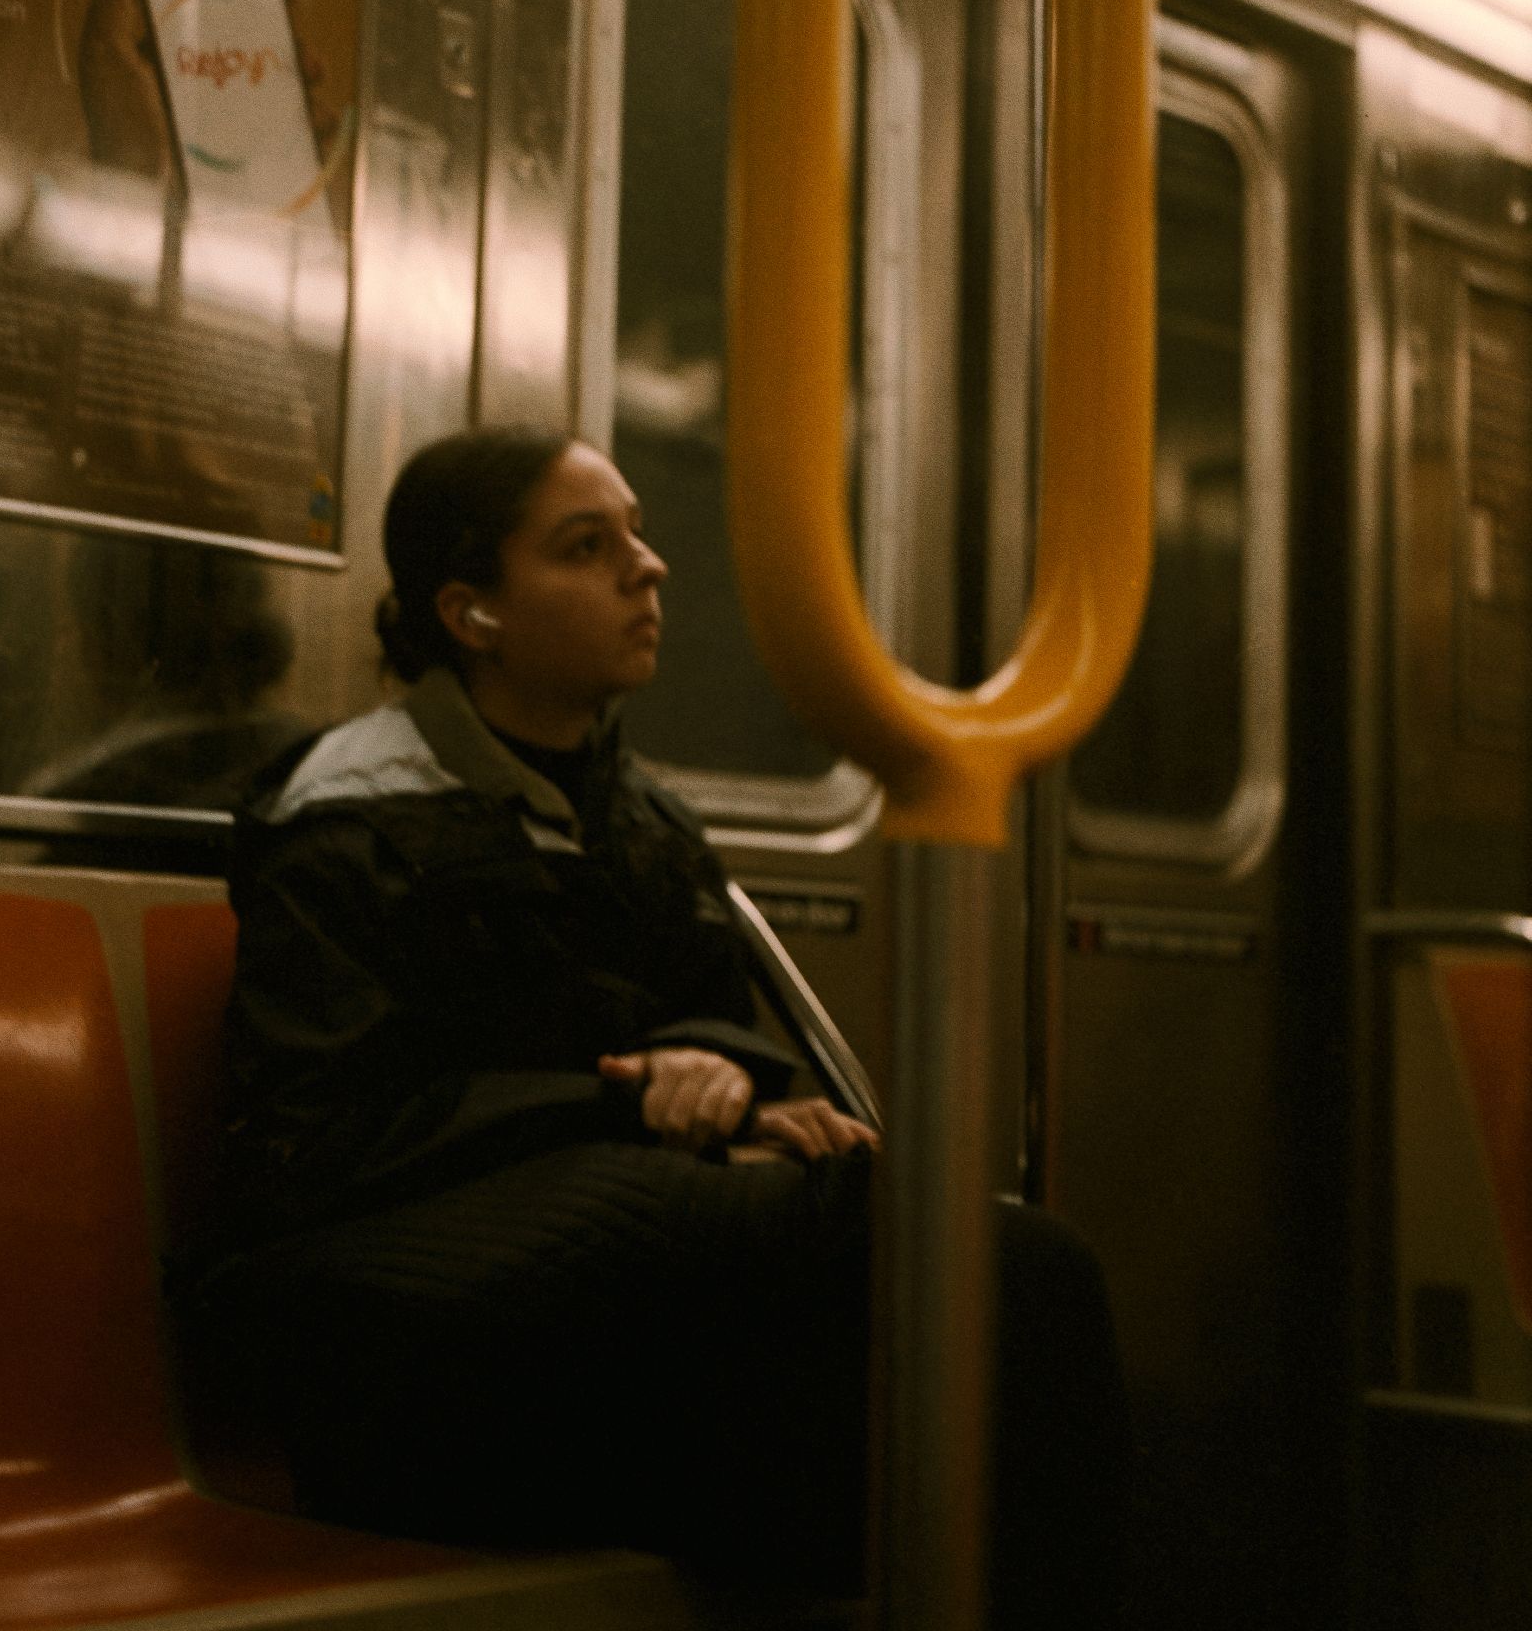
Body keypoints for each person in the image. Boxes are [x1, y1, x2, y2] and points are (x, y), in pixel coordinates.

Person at [194, 426, 1128, 1619]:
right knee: (934, 1347)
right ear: (471, 611)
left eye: (634, 533)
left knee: (997, 1296)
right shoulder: (347, 815)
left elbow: (710, 1017)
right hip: (420, 1355)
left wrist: (745, 1093)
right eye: (587, 547)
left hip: (600, 1297)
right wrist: (624, 1098)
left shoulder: (636, 814)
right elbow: (312, 1143)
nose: (647, 568)